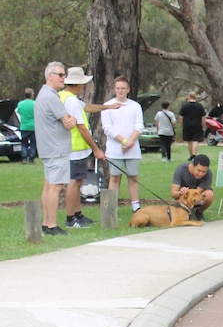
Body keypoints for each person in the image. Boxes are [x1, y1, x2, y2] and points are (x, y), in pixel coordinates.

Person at [59, 67, 114, 229]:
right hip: (75, 148)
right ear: (78, 84)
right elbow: (82, 128)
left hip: (75, 148)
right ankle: (70, 218)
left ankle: (78, 214)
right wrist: (96, 149)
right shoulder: (72, 101)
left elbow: (87, 107)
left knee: (78, 180)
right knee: (74, 182)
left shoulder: (66, 97)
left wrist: (108, 107)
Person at [34, 61, 77, 235]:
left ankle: (46, 222)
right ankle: (51, 225)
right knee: (56, 187)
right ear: (49, 76)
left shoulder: (42, 94)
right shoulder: (51, 96)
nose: (63, 78)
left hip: (47, 148)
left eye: (64, 75)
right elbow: (68, 122)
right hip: (56, 148)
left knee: (48, 185)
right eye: (60, 75)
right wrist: (72, 119)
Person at [102, 75, 145, 213]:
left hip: (132, 148)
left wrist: (130, 141)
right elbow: (108, 128)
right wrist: (123, 141)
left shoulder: (135, 106)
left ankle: (136, 205)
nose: (120, 91)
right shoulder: (107, 106)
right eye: (118, 88)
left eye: (123, 88)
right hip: (115, 148)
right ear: (114, 89)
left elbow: (139, 126)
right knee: (114, 177)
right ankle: (111, 207)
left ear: (128, 89)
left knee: (132, 176)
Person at [171, 154, 214, 220]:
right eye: (198, 170)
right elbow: (173, 194)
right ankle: (183, 211)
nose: (200, 174)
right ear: (193, 166)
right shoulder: (181, 169)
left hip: (197, 196)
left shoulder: (209, 174)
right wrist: (181, 192)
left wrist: (188, 192)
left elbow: (196, 192)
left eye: (204, 171)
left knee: (209, 194)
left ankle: (199, 212)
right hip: (183, 197)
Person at [178, 92, 206, 161]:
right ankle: (194, 155)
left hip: (187, 125)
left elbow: (181, 117)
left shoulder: (185, 106)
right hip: (197, 125)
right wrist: (203, 125)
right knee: (195, 140)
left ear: (189, 97)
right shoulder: (199, 106)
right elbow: (203, 117)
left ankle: (191, 155)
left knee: (189, 140)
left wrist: (182, 124)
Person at [16, 88, 37, 164]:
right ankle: (31, 158)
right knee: (33, 143)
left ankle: (24, 158)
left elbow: (18, 112)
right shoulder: (35, 103)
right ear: (31, 95)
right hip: (33, 126)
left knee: (24, 143)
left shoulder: (20, 104)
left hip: (24, 126)